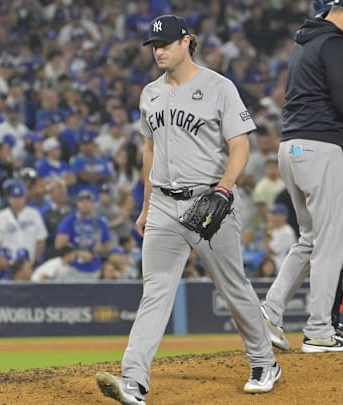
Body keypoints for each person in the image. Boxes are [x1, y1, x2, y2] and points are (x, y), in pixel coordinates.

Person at [96, 15, 280, 405]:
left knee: (233, 287)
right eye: (153, 45)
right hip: (163, 203)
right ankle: (134, 380)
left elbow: (241, 144)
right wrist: (146, 207)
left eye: (164, 43)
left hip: (209, 201)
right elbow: (150, 151)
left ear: (187, 42)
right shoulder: (150, 93)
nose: (158, 50)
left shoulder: (218, 87)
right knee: (155, 292)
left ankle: (265, 361)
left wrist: (224, 189)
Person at [260, 0, 343, 355]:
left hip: (291, 148)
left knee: (310, 238)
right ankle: (318, 330)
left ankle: (269, 312)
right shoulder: (334, 42)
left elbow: (328, 96)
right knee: (332, 240)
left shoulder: (306, 40)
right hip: (320, 147)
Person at [0, 179, 47, 264]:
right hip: (9, 263)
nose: (17, 201)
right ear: (9, 199)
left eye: (20, 197)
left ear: (24, 198)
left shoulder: (34, 214)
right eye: (14, 198)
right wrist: (3, 257)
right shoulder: (2, 216)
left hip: (29, 262)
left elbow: (41, 239)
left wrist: (34, 259)